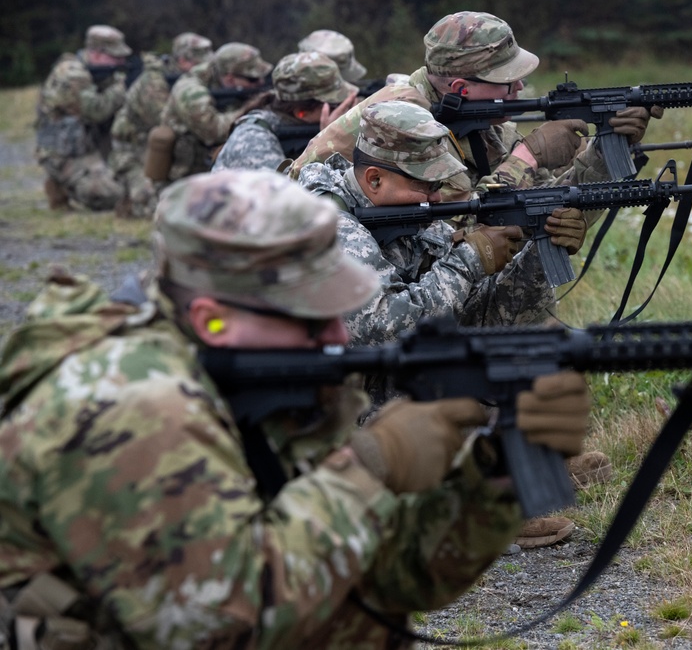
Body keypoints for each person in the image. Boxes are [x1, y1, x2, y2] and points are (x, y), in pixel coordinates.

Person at [0, 169, 591, 648]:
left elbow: (391, 578)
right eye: (310, 313)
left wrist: (497, 472)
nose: (338, 332)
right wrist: (370, 463)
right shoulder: (131, 401)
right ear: (211, 316)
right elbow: (217, 620)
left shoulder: (248, 381)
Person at [298, 100, 609, 548]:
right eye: (426, 184)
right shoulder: (327, 225)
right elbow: (382, 325)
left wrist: (540, 250)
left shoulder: (406, 215)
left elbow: (485, 316)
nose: (438, 197)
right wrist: (468, 260)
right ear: (374, 179)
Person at [287, 11, 658, 202]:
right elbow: (452, 230)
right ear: (461, 87)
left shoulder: (477, 118)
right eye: (506, 81)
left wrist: (607, 149)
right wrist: (528, 157)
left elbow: (539, 203)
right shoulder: (405, 119)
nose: (519, 88)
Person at [109, 32, 213, 217]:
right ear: (181, 61)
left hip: (168, 150)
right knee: (157, 207)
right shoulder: (154, 83)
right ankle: (129, 201)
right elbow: (168, 123)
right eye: (198, 63)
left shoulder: (196, 81)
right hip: (134, 151)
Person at [34, 25, 131, 212]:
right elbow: (96, 111)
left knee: (130, 188)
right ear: (95, 53)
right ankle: (59, 186)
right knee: (111, 195)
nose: (120, 62)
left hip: (85, 145)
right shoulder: (72, 74)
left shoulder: (98, 72)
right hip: (63, 152)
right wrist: (123, 87)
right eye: (115, 56)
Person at [212, 51, 358, 172]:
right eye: (335, 105)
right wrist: (327, 142)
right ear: (303, 113)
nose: (343, 111)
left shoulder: (287, 125)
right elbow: (290, 199)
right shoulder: (252, 138)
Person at [158, 42, 273, 183]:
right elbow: (212, 131)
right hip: (185, 177)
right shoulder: (188, 90)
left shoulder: (224, 82)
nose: (260, 83)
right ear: (230, 78)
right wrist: (253, 106)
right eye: (252, 79)